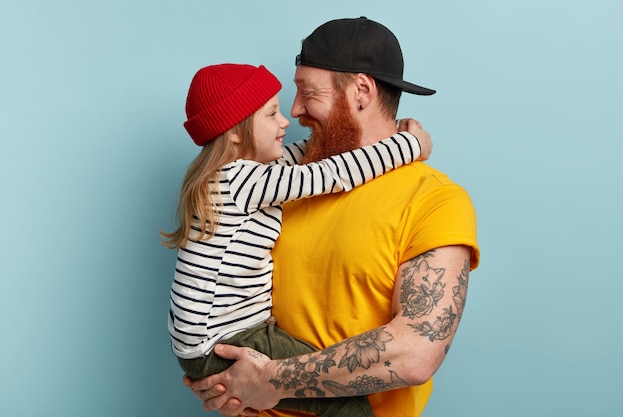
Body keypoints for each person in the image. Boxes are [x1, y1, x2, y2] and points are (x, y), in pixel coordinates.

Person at [184, 17, 480, 417]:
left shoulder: (433, 200)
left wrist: (268, 382)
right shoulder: (280, 185)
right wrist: (226, 385)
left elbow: (414, 353)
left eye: (308, 92)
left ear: (361, 90)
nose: (294, 110)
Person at [162, 62, 433, 417]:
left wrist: (379, 132)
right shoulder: (241, 181)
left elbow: (305, 155)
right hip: (223, 341)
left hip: (202, 342)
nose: (285, 121)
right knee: (348, 405)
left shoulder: (238, 177)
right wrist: (409, 144)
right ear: (235, 132)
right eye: (272, 114)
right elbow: (329, 174)